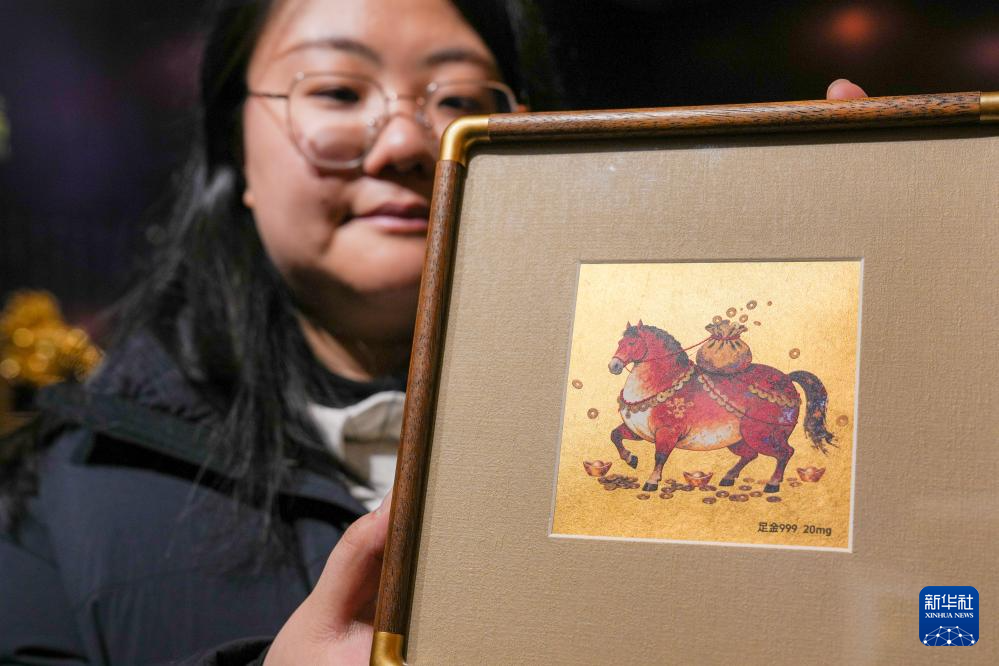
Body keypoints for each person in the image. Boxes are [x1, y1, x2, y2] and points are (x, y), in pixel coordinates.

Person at [0, 0, 866, 663]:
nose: (410, 143)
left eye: (459, 99)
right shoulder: (60, 487)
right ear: (237, 151)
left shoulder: (594, 448)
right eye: (337, 91)